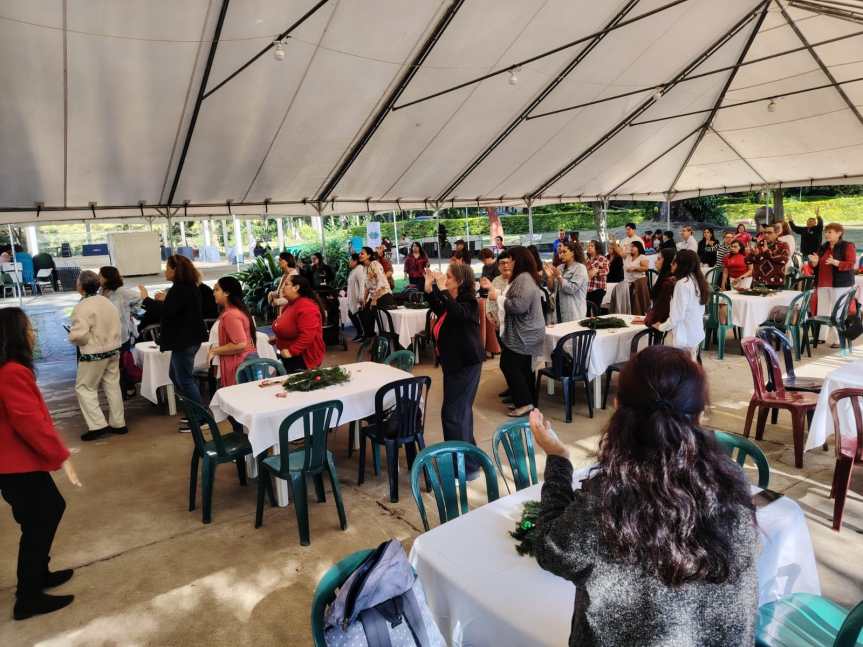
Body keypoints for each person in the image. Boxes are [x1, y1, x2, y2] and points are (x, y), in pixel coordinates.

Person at [529, 346, 757, 647]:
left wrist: (558, 459)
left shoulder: (606, 505)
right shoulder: (731, 486)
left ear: (617, 406)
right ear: (700, 414)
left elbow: (550, 548)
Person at [0, 309, 81, 621]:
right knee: (42, 518)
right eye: (29, 328)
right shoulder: (11, 372)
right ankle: (28, 597)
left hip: (17, 464)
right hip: (16, 465)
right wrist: (61, 457)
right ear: (15, 335)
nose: (33, 333)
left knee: (41, 515)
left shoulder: (10, 369)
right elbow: (29, 421)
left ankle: (37, 576)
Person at [424, 264, 485, 479]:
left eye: (449, 277)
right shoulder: (455, 303)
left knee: (454, 414)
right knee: (459, 413)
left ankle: (465, 467)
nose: (446, 279)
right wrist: (429, 289)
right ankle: (470, 460)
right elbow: (441, 310)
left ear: (459, 281)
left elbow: (458, 314)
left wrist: (440, 290)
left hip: (466, 364)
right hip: (455, 364)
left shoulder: (468, 302)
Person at [138, 255, 206, 431]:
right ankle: (195, 411)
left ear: (175, 270)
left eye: (167, 268)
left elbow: (168, 312)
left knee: (184, 378)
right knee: (176, 376)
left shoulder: (181, 289)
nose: (165, 271)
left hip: (184, 341)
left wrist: (146, 299)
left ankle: (200, 418)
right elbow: (174, 309)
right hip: (187, 339)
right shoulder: (185, 288)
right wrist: (164, 300)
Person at [68, 270, 126, 441]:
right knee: (113, 386)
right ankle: (118, 423)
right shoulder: (107, 302)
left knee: (85, 388)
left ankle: (97, 425)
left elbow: (78, 335)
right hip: (114, 349)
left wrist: (74, 338)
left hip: (93, 352)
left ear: (81, 287)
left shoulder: (82, 306)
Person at [498, 246, 545, 417]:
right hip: (528, 331)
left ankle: (524, 403)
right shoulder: (524, 277)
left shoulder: (524, 278)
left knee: (509, 364)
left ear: (519, 260)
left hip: (525, 332)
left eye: (511, 258)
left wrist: (499, 298)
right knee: (523, 367)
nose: (508, 262)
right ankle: (528, 401)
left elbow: (518, 306)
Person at [808, 222, 856, 347]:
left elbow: (851, 264)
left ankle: (838, 339)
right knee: (823, 311)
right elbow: (816, 264)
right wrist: (814, 262)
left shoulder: (847, 246)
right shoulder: (823, 246)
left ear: (839, 233)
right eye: (826, 232)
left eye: (830, 232)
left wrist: (836, 262)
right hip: (823, 283)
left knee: (837, 313)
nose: (826, 234)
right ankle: (820, 337)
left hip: (840, 284)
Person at [654, 250, 708, 356]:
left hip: (682, 336)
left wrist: (661, 326)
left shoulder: (682, 284)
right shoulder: (697, 281)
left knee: (673, 368)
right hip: (695, 332)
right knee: (689, 368)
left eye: (674, 261)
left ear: (681, 265)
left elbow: (677, 315)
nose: (671, 264)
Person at [208, 277, 257, 388]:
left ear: (227, 293)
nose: (213, 293)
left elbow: (240, 344)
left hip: (237, 366)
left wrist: (214, 351)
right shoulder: (235, 311)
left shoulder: (231, 314)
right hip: (239, 364)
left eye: (216, 290)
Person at [272, 275, 325, 372]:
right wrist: (278, 338)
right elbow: (290, 327)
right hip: (288, 354)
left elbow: (307, 335)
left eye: (286, 284)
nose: (283, 287)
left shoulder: (307, 307)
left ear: (296, 288)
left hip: (302, 357)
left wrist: (291, 351)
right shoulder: (290, 304)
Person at [99, 266, 141, 349]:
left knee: (122, 360)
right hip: (106, 334)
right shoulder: (101, 290)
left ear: (107, 278)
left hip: (121, 335)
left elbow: (140, 298)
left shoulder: (121, 291)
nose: (98, 278)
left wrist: (130, 311)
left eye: (100, 276)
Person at [546, 242, 588, 322]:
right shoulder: (560, 267)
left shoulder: (580, 268)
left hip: (574, 313)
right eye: (560, 252)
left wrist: (559, 276)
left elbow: (571, 289)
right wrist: (550, 277)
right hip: (559, 311)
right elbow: (551, 289)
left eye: (564, 252)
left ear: (573, 253)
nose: (561, 255)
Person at [358, 246, 393, 340]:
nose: (360, 255)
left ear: (369, 255)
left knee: (381, 322)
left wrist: (374, 299)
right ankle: (373, 340)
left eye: (362, 253)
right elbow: (367, 286)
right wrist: (364, 300)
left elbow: (381, 282)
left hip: (384, 295)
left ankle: (382, 343)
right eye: (359, 253)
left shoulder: (375, 264)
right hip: (374, 296)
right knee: (364, 314)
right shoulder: (365, 267)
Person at [644, 247, 676, 327]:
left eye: (659, 259)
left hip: (662, 321)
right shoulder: (660, 276)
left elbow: (662, 307)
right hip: (658, 318)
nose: (655, 262)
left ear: (667, 262)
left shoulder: (668, 281)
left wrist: (650, 318)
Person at [482, 251, 511, 335]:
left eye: (508, 263)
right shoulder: (496, 280)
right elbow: (489, 299)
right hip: (497, 326)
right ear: (498, 266)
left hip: (511, 326)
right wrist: (489, 314)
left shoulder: (516, 281)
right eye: (502, 263)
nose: (505, 266)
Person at [346, 253, 367, 342]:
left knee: (357, 315)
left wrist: (361, 297)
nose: (349, 262)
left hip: (358, 297)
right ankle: (360, 333)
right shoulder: (353, 270)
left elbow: (362, 283)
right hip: (352, 296)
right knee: (351, 314)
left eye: (351, 260)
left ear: (355, 261)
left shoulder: (359, 269)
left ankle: (362, 334)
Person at [585, 240, 609, 311]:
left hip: (598, 288)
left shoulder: (601, 258)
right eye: (588, 246)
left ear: (597, 248)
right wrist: (592, 270)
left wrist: (597, 271)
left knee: (596, 309)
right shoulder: (587, 259)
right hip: (588, 289)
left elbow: (606, 271)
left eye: (592, 246)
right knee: (587, 310)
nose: (589, 247)